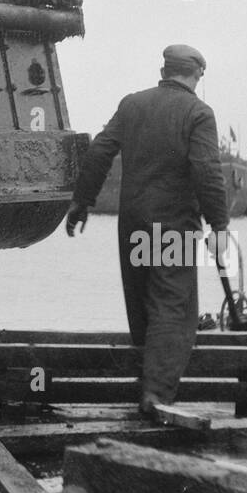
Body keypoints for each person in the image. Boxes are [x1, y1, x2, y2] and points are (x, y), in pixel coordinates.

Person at [65, 44, 230, 419]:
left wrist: (82, 201)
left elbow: (99, 151)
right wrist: (219, 224)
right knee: (172, 308)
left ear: (165, 69)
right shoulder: (198, 112)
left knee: (143, 306)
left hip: (134, 223)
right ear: (196, 74)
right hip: (174, 227)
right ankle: (155, 397)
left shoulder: (132, 104)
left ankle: (144, 387)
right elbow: (206, 171)